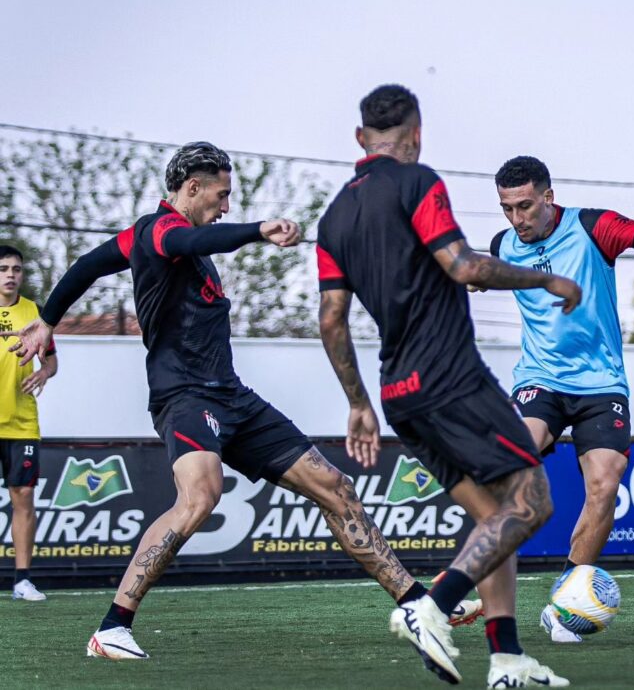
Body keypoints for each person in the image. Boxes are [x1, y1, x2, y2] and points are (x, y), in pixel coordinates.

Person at [5, 142, 479, 661]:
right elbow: (193, 237)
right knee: (200, 497)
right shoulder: (160, 231)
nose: (226, 204)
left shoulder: (157, 240)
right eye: (222, 194)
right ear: (191, 188)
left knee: (334, 486)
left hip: (232, 397)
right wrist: (256, 230)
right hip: (183, 396)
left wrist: (48, 319)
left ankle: (417, 605)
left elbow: (86, 267)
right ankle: (112, 627)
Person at [317, 85, 581, 687]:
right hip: (450, 378)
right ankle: (430, 606)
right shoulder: (417, 181)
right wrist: (546, 280)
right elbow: (463, 265)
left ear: (361, 138)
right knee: (533, 501)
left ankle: (508, 660)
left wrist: (358, 403)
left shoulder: (334, 217)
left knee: (493, 518)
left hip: (398, 393)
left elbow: (331, 319)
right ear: (416, 134)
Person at [488, 155, 634, 643]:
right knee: (508, 463)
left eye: (526, 206)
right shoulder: (502, 245)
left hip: (600, 384)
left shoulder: (594, 227)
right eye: (507, 208)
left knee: (605, 483)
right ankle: (483, 583)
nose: (517, 219)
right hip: (540, 380)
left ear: (549, 198)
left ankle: (565, 601)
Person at [0, 245, 57, 601]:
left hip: (21, 424)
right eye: (4, 268)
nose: (10, 275)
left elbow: (51, 362)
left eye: (16, 269)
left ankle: (22, 580)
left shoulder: (35, 313)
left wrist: (44, 375)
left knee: (23, 497)